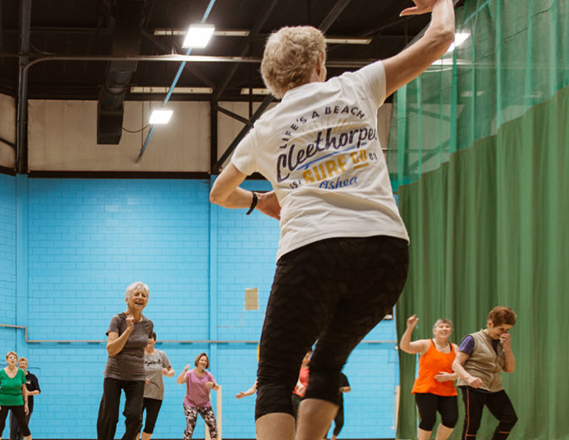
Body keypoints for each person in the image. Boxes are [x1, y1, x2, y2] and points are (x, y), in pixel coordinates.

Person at [208, 0, 455, 438]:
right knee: (327, 363)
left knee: (276, 375)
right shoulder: (357, 86)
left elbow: (219, 193)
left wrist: (258, 201)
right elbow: (439, 39)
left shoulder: (265, 127)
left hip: (313, 252)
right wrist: (442, 2)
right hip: (386, 252)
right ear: (320, 63)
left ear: (271, 80)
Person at [97, 282, 155, 440]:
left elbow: (140, 350)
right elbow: (111, 349)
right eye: (136, 294)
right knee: (109, 417)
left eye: (144, 295)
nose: (140, 298)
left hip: (136, 376)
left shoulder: (148, 324)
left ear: (147, 301)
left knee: (135, 417)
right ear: (127, 298)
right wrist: (128, 330)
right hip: (114, 374)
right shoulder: (118, 320)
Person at [451, 306, 517, 440]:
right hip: (473, 385)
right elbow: (455, 364)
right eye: (501, 329)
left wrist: (507, 348)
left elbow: (509, 369)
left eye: (507, 330)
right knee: (472, 423)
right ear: (490, 324)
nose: (504, 333)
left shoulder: (500, 343)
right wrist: (469, 378)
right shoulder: (472, 339)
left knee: (509, 418)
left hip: (494, 387)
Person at [399, 315, 459, 440]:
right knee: (428, 419)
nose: (444, 328)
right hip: (426, 389)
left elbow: (462, 370)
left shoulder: (455, 348)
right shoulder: (425, 344)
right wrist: (410, 329)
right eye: (441, 326)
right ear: (435, 330)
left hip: (447, 391)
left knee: (451, 419)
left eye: (447, 326)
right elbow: (405, 347)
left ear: (450, 331)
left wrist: (451, 376)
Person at [136, 332, 175, 440]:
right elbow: (131, 372)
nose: (149, 340)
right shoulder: (138, 355)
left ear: (155, 340)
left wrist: (167, 373)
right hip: (139, 394)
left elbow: (172, 371)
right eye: (146, 338)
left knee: (150, 423)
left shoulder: (161, 354)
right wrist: (140, 378)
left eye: (151, 338)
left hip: (156, 394)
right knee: (135, 423)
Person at [177, 353, 220, 440]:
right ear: (198, 361)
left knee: (213, 425)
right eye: (202, 360)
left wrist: (213, 385)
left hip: (205, 404)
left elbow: (217, 388)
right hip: (190, 403)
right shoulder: (189, 374)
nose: (203, 362)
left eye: (205, 361)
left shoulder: (208, 375)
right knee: (191, 425)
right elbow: (179, 381)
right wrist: (184, 371)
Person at [0, 351, 32, 440]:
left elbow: (24, 389)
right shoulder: (2, 372)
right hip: (3, 401)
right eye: (10, 357)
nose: (13, 359)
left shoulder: (21, 372)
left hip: (18, 401)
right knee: (0, 425)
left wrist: (26, 403)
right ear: (7, 360)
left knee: (23, 424)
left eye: (14, 358)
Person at [326, 373, 351, 440]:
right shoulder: (325, 376)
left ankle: (334, 438)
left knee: (340, 423)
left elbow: (348, 387)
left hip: (339, 404)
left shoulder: (342, 376)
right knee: (326, 424)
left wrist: (342, 389)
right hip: (327, 404)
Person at [292, 351, 313, 416]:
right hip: (297, 395)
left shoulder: (312, 365)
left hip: (308, 396)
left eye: (309, 357)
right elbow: (295, 376)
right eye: (306, 357)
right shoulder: (296, 365)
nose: (308, 359)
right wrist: (299, 384)